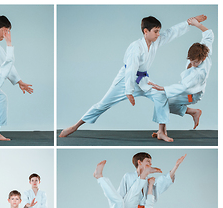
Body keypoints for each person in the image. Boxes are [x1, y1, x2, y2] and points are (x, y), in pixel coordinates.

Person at [59, 15, 207, 142]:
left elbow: (170, 33)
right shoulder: (136, 48)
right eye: (155, 31)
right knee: (102, 105)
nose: (158, 34)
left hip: (143, 80)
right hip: (125, 82)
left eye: (158, 31)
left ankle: (162, 131)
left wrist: (189, 22)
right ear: (146, 31)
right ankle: (75, 126)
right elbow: (130, 71)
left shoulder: (155, 42)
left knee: (161, 96)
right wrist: (129, 92)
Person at [149, 17, 213, 139]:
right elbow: (209, 34)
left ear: (203, 59)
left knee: (162, 100)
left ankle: (162, 132)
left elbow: (184, 87)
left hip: (192, 94)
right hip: (187, 91)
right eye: (190, 60)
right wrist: (197, 24)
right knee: (162, 101)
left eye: (195, 62)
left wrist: (163, 88)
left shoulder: (199, 73)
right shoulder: (204, 49)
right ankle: (192, 113)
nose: (192, 63)